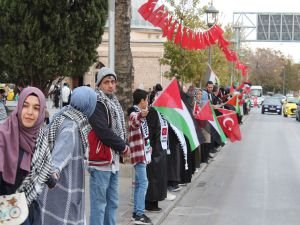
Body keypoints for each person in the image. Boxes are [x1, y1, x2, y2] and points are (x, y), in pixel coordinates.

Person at [34, 86, 97, 225]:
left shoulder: (67, 115)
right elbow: (60, 154)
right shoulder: (71, 126)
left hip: (60, 186)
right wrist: (54, 171)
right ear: (88, 105)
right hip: (62, 187)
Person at [0, 87, 48, 225]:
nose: (30, 112)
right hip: (6, 212)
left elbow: (43, 163)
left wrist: (51, 177)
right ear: (19, 106)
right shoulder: (3, 135)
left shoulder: (40, 136)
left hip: (30, 208)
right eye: (25, 105)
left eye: (36, 108)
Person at [88, 67, 129, 225]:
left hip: (113, 161)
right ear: (99, 84)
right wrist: (123, 147)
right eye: (106, 82)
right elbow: (103, 131)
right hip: (100, 162)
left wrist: (123, 145)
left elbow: (119, 129)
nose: (110, 85)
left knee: (112, 203)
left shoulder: (114, 102)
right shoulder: (97, 102)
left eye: (113, 82)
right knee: (99, 205)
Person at [127, 89, 152, 224]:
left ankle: (136, 213)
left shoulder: (138, 112)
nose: (147, 102)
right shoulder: (134, 112)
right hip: (138, 154)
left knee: (138, 184)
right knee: (143, 183)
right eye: (146, 100)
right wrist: (141, 116)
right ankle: (140, 213)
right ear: (141, 101)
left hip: (142, 153)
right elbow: (134, 121)